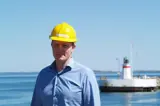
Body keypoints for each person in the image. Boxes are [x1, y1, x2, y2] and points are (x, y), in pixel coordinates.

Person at [31, 22, 101, 106]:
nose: (59, 49)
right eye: (56, 45)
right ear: (51, 45)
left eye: (64, 46)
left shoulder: (85, 75)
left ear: (73, 47)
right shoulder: (43, 75)